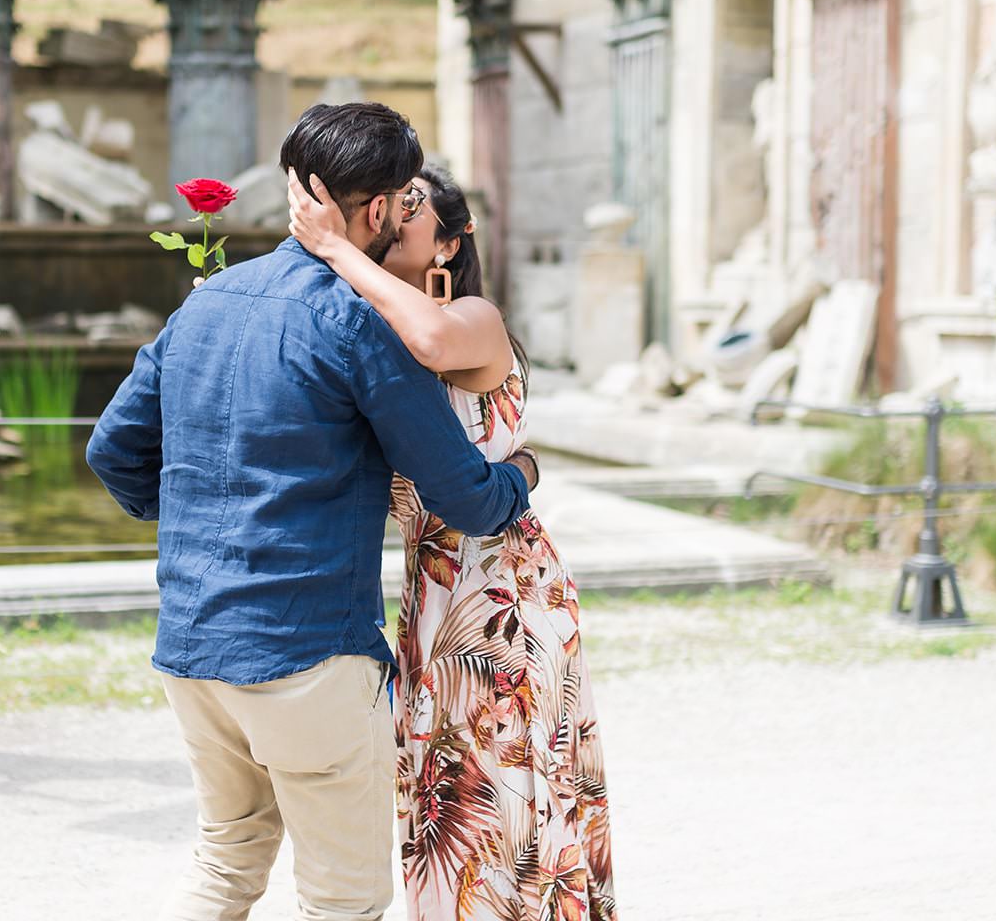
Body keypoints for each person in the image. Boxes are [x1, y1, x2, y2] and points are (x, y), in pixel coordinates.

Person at [86, 102, 540, 920]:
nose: (407, 214)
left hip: (190, 644)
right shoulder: (357, 323)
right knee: (341, 901)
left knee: (224, 865)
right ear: (375, 211)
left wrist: (201, 523)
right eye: (404, 201)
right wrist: (525, 476)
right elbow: (466, 497)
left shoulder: (207, 302)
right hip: (306, 659)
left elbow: (110, 451)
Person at [288, 162, 618, 921]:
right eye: (390, 205)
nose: (390, 217)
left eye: (410, 209)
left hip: (503, 591)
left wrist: (333, 250)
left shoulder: (472, 316)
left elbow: (433, 339)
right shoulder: (364, 329)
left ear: (445, 244)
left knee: (506, 793)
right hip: (429, 591)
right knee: (445, 802)